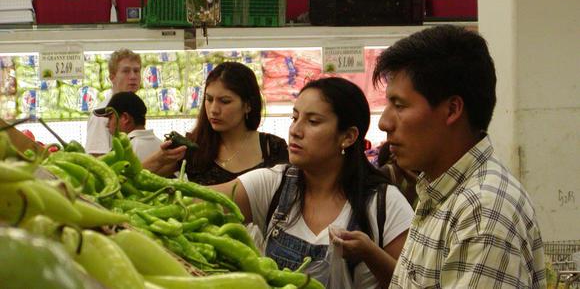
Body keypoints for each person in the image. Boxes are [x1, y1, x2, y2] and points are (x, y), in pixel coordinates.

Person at [372, 25, 546, 288]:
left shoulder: (481, 212)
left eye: (399, 105)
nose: (384, 122)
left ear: (452, 110)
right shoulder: (440, 192)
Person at [209, 77, 414, 288]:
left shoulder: (385, 203)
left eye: (313, 121)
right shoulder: (274, 184)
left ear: (348, 136)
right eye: (294, 117)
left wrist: (371, 254)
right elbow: (202, 200)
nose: (295, 130)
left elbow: (412, 283)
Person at [143, 62, 288, 184]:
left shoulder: (273, 148)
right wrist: (159, 158)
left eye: (225, 101)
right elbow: (132, 178)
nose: (214, 110)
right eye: (209, 99)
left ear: (248, 105)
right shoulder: (193, 148)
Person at [85, 49, 142, 156]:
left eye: (136, 71)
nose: (133, 76)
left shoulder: (135, 108)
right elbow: (97, 159)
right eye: (126, 71)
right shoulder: (102, 115)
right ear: (112, 77)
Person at [93, 91, 161, 162]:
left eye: (110, 118)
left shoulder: (124, 151)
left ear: (125, 118)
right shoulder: (161, 145)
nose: (107, 125)